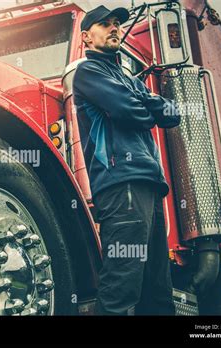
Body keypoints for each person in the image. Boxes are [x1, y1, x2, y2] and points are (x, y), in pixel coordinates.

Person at [72, 5, 181, 315]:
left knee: (158, 291)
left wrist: (143, 103)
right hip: (122, 184)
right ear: (86, 37)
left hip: (148, 184)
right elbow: (130, 111)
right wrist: (147, 106)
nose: (114, 28)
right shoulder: (88, 72)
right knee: (122, 283)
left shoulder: (128, 78)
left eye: (116, 23)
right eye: (105, 24)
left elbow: (171, 114)